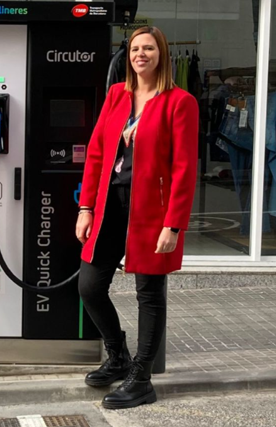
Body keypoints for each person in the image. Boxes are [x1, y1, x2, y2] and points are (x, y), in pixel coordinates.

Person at [76, 26, 198, 410]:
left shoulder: (181, 102)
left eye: (148, 48)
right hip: (110, 202)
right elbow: (96, 152)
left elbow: (183, 168)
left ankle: (142, 377)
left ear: (161, 53)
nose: (140, 54)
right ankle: (118, 356)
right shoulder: (117, 95)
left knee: (149, 293)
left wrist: (173, 224)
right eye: (134, 48)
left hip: (152, 210)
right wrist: (85, 207)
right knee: (90, 286)